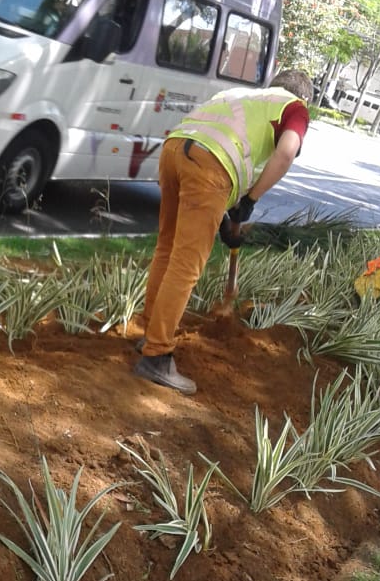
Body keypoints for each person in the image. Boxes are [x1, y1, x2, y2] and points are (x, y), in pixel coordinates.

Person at [134, 69, 314, 395]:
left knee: (167, 247)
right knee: (187, 263)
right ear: (303, 97)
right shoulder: (296, 108)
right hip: (210, 164)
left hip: (176, 149)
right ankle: (157, 355)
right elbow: (285, 152)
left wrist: (230, 213)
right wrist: (251, 201)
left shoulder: (242, 96)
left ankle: (149, 333)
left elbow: (224, 153)